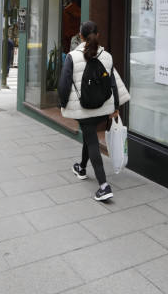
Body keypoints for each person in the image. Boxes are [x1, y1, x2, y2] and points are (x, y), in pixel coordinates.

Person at [58, 20, 129, 201]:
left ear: (80, 36)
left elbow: (64, 85)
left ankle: (104, 186)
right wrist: (115, 108)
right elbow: (113, 83)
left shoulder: (72, 57)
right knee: (89, 137)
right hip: (103, 107)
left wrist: (64, 104)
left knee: (92, 142)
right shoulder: (107, 56)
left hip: (83, 108)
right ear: (97, 35)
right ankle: (81, 167)